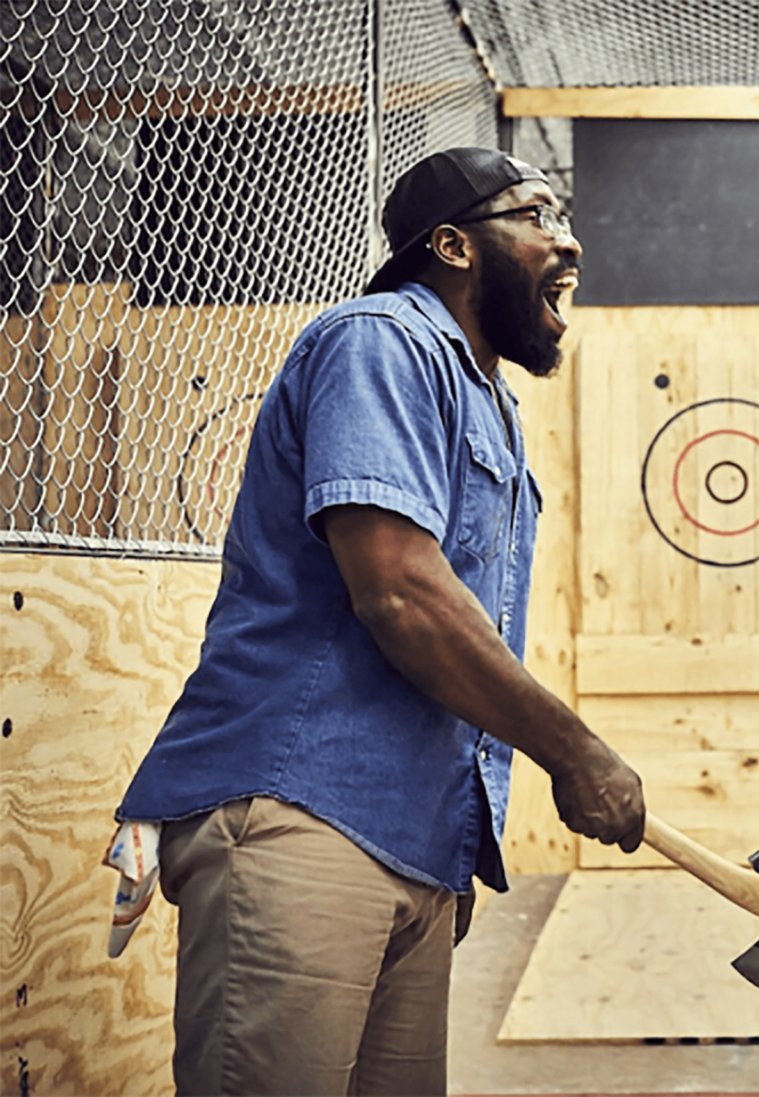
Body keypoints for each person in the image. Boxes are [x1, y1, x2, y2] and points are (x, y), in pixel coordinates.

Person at [110, 148, 646, 1095]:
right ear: (452, 246)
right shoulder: (379, 342)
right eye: (536, 214)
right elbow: (400, 590)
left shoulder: (491, 400)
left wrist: (450, 848)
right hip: (302, 818)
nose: (568, 237)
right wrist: (576, 749)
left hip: (412, 842)